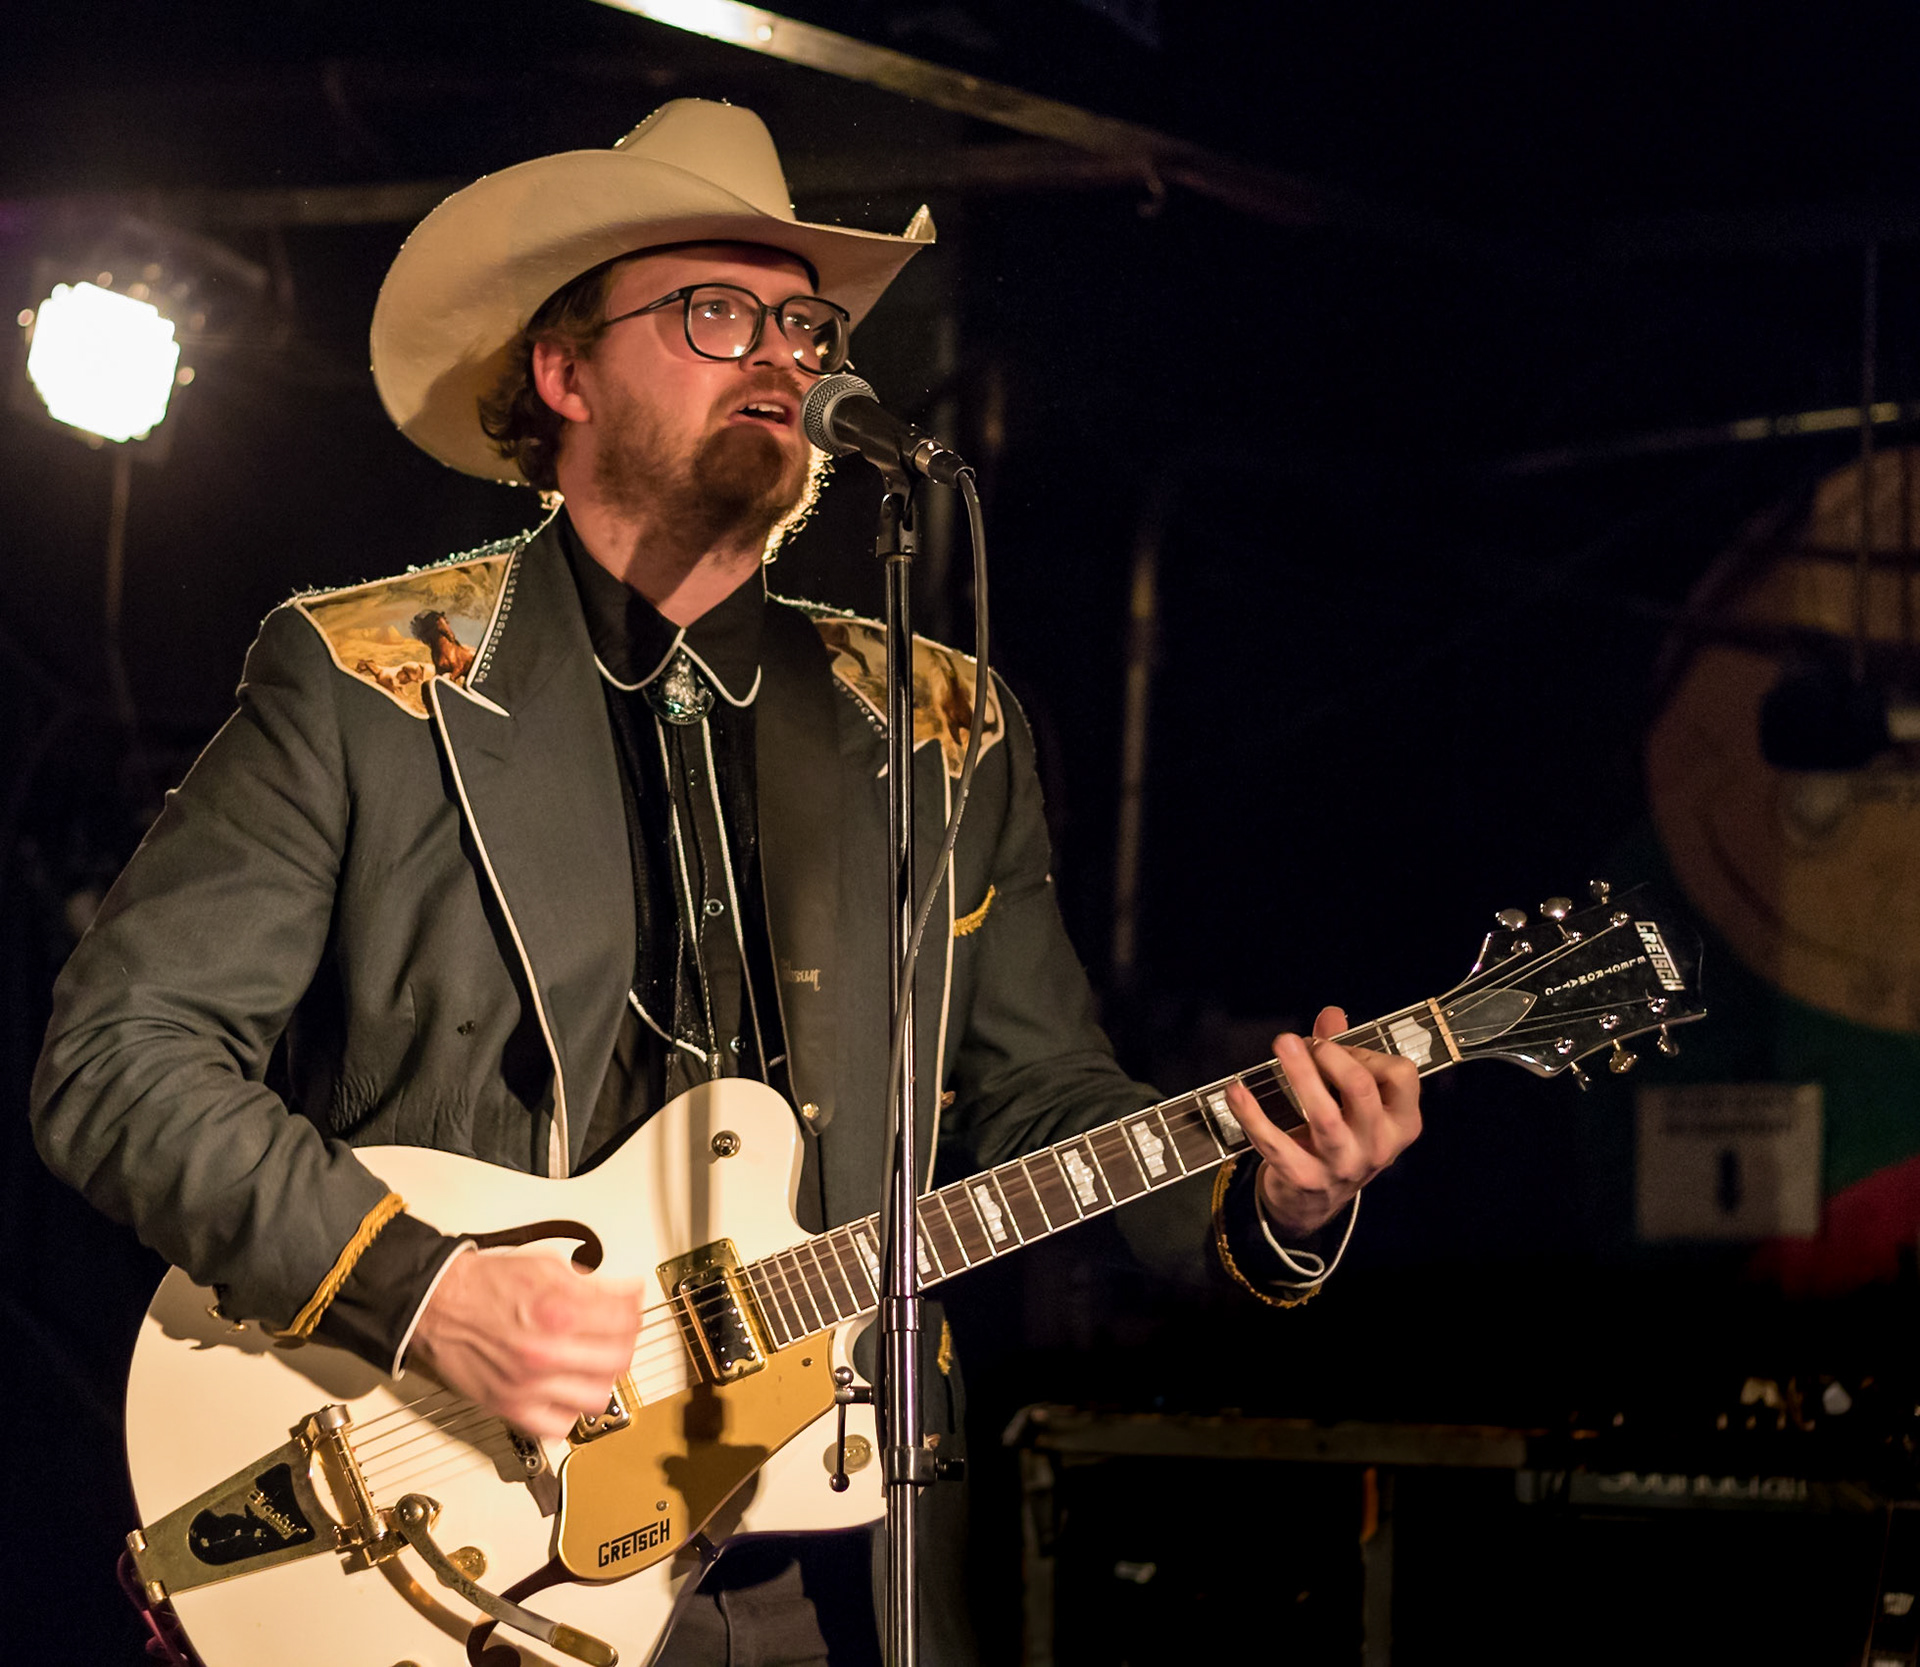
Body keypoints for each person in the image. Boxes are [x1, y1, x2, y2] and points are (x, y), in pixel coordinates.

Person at [31, 99, 1423, 1665]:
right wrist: (428, 1295)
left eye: (806, 321)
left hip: (808, 1547)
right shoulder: (370, 680)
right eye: (715, 311)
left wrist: (1269, 1197)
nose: (784, 355)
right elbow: (117, 1063)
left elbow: (1035, 1098)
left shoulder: (942, 729)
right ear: (561, 373)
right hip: (448, 1528)